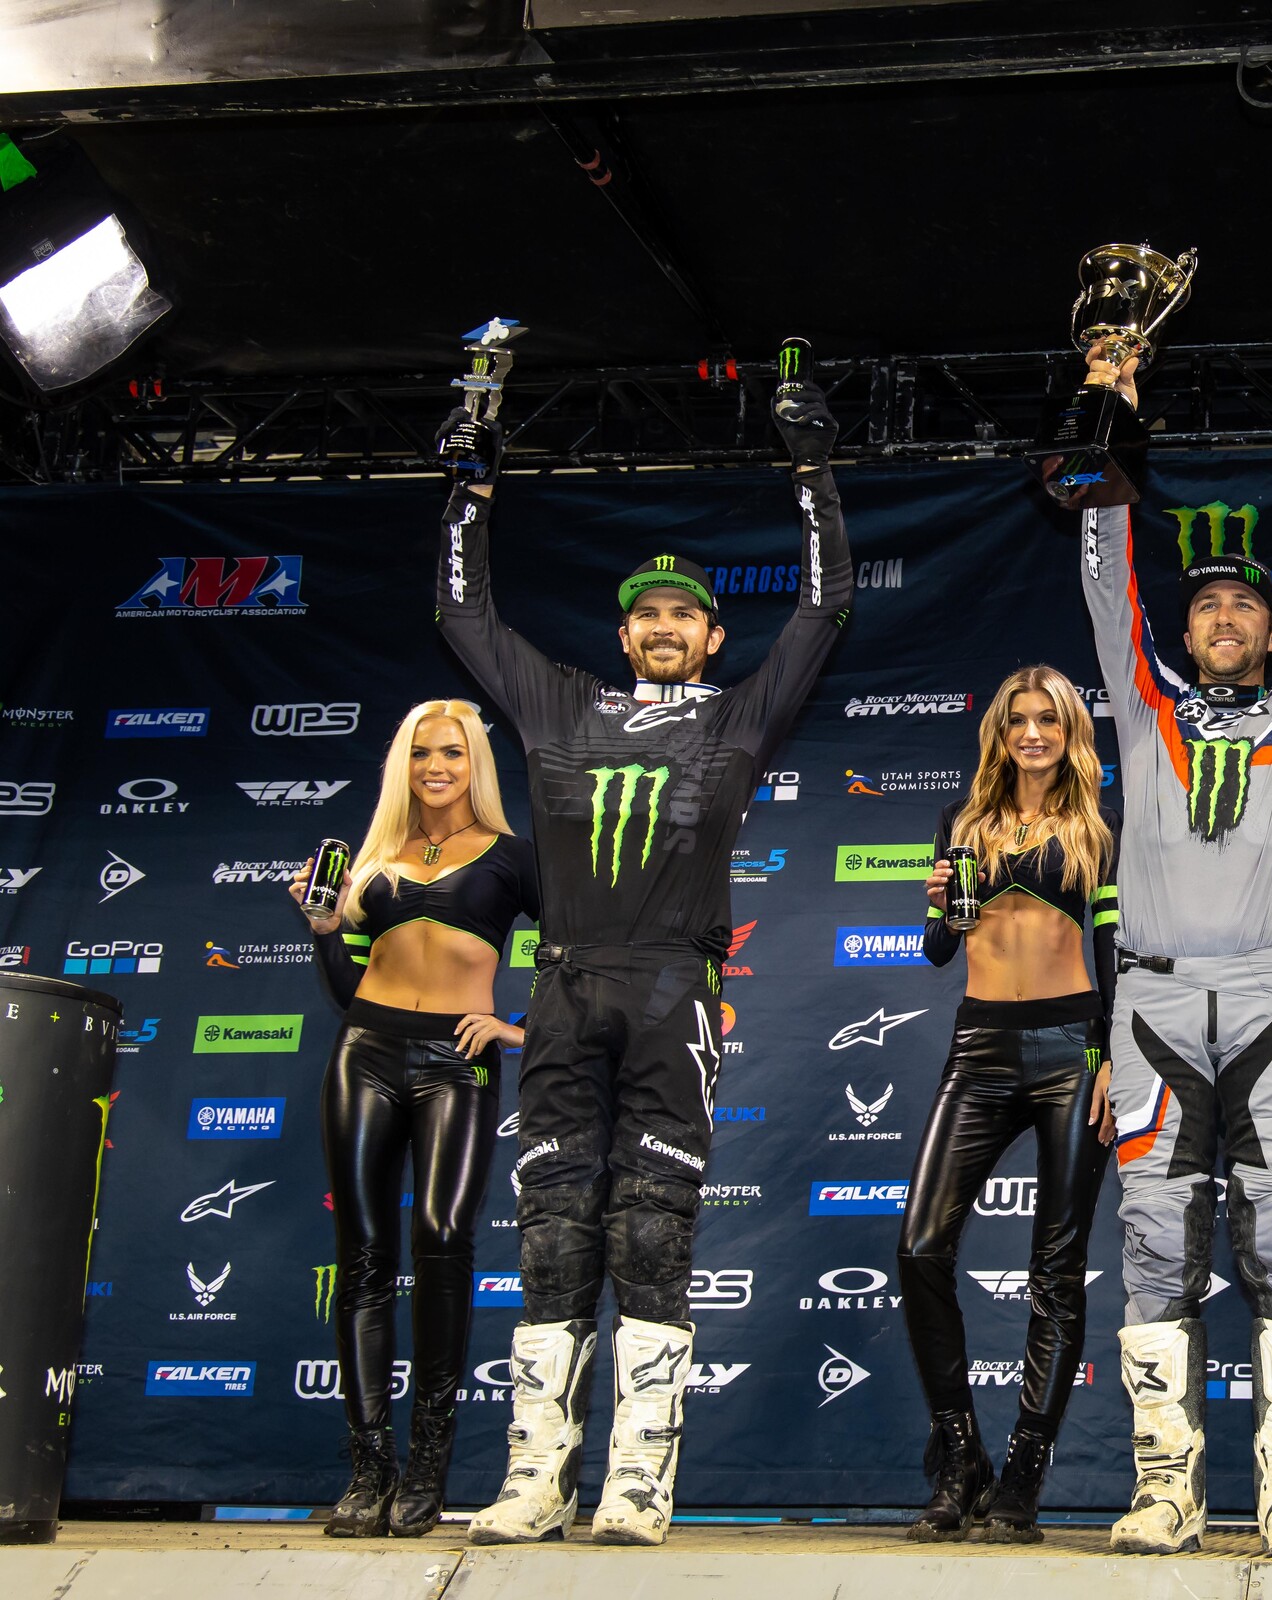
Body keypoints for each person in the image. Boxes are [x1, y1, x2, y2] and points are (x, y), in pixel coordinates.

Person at [431, 373, 853, 1547]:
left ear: (713, 638)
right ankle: (534, 1477)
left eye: (685, 616)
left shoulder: (737, 719)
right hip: (563, 984)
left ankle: (639, 1480)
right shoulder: (557, 705)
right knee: (553, 1228)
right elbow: (462, 620)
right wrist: (469, 488)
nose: (664, 627)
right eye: (646, 616)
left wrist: (812, 475)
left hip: (677, 986)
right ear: (622, 636)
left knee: (654, 1230)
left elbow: (823, 615)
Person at [1077, 347, 1272, 1557]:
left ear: (1271, 626)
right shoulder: (1144, 707)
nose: (1219, 618)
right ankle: (1166, 1488)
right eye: (1203, 605)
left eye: (1243, 605)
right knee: (1153, 1240)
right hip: (1149, 1003)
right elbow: (1107, 590)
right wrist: (1114, 421)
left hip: (1268, 995)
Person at [293, 699, 537, 1538]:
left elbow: (587, 956)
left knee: (442, 1239)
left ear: (477, 765)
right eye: (423, 753)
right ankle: (369, 1469)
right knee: (361, 1254)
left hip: (457, 1063)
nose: (437, 766)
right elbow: (342, 988)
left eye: (455, 753)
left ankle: (427, 1463)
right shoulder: (374, 862)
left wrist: (520, 1027)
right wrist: (327, 928)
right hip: (365, 1052)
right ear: (405, 763)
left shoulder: (512, 858)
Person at [900, 664, 1122, 1543]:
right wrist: (940, 914)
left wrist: (1111, 1054)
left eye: (1049, 721)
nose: (1033, 734)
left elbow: (1113, 951)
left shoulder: (1099, 830)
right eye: (1019, 720)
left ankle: (1025, 1472)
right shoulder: (963, 824)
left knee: (1055, 1271)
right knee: (919, 1246)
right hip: (980, 1046)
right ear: (999, 732)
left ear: (1070, 731)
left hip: (1073, 1049)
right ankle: (961, 1459)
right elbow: (933, 952)